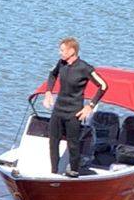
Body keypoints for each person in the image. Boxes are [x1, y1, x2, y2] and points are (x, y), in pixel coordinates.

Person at [43, 37, 108, 177]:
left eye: (62, 50)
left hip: (74, 112)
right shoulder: (61, 64)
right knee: (53, 142)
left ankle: (74, 172)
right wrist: (48, 92)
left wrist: (90, 106)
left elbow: (103, 86)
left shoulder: (84, 67)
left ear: (72, 51)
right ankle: (53, 173)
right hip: (58, 110)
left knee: (73, 144)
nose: (60, 53)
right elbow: (52, 74)